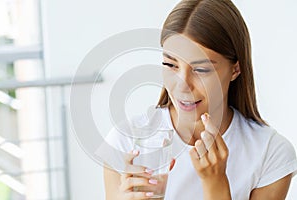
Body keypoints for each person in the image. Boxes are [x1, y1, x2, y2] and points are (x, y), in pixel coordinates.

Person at [103, 0, 297, 199]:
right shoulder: (126, 140)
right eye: (170, 65)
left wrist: (216, 184)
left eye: (201, 70)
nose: (182, 85)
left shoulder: (271, 152)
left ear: (235, 69)